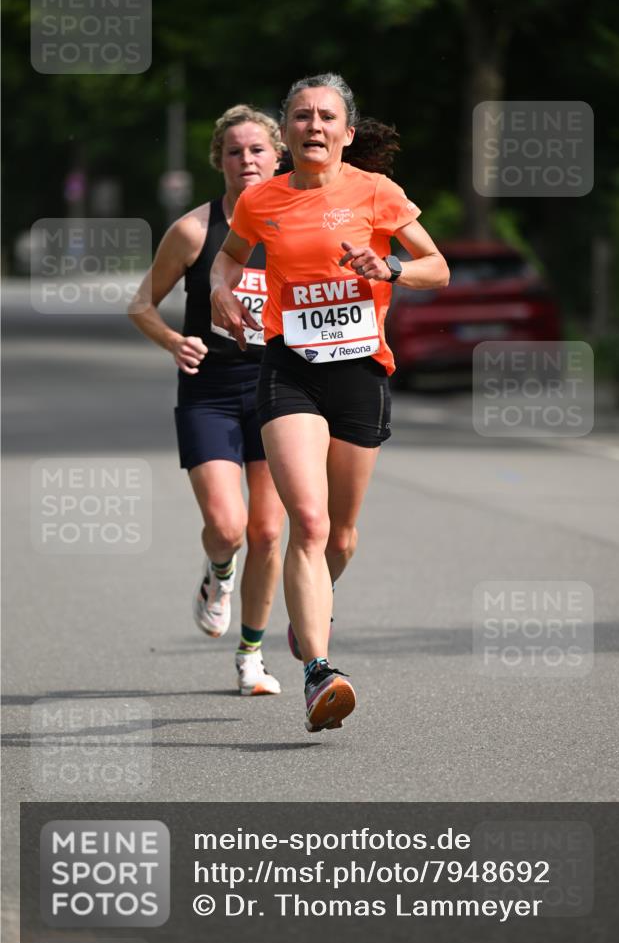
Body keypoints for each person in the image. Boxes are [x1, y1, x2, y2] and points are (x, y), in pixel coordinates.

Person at [210, 74, 449, 732]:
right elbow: (228, 260)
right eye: (301, 117)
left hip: (360, 371)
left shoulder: (376, 194)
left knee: (340, 535)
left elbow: (436, 266)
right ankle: (320, 670)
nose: (313, 126)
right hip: (290, 369)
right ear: (284, 134)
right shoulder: (262, 199)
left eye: (326, 117)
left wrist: (391, 269)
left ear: (346, 132)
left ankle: (307, 610)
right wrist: (220, 293)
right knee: (307, 525)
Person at [129, 105, 286, 696]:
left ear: (278, 156)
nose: (247, 160)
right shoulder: (195, 230)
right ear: (218, 160)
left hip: (280, 390)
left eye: (258, 151)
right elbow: (141, 303)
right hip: (211, 392)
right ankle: (218, 574)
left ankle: (251, 655)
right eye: (235, 151)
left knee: (269, 533)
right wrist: (174, 340)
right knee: (228, 527)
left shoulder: (299, 227)